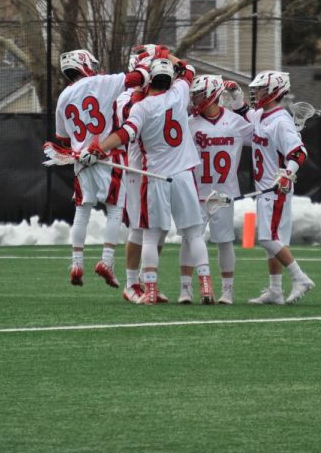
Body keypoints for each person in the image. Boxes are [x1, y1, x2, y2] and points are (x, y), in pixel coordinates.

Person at [81, 52, 214, 305]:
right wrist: (166, 54)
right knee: (193, 234)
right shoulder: (179, 94)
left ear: (149, 78)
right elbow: (188, 70)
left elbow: (125, 132)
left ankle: (149, 288)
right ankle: (206, 285)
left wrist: (98, 149)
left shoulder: (140, 106)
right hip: (183, 173)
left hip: (153, 176)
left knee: (150, 235)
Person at [54, 49, 148, 289]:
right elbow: (135, 79)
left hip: (80, 158)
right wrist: (148, 61)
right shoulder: (101, 82)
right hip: (107, 155)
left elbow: (62, 138)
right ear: (84, 64)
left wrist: (80, 146)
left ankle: (76, 262)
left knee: (82, 211)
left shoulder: (64, 96)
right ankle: (106, 260)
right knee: (115, 210)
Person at [227, 71, 315, 304]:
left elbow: (298, 152)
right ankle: (275, 290)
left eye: (261, 89)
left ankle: (300, 278)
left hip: (275, 188)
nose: (257, 94)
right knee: (274, 242)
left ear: (275, 91)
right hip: (265, 188)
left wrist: (288, 173)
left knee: (267, 238)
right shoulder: (260, 116)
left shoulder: (280, 121)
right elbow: (245, 114)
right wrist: (236, 96)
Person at [186, 75, 254, 304]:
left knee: (224, 241)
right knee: (189, 240)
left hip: (224, 193)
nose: (195, 100)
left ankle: (228, 290)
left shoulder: (234, 121)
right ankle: (186, 289)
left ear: (212, 94)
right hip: (196, 191)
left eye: (199, 95)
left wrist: (239, 103)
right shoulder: (190, 123)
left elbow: (261, 135)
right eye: (194, 95)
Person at [114, 45, 169, 304]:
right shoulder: (128, 98)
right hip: (139, 168)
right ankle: (132, 283)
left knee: (159, 230)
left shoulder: (162, 94)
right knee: (140, 228)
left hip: (163, 168)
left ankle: (149, 281)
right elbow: (129, 122)